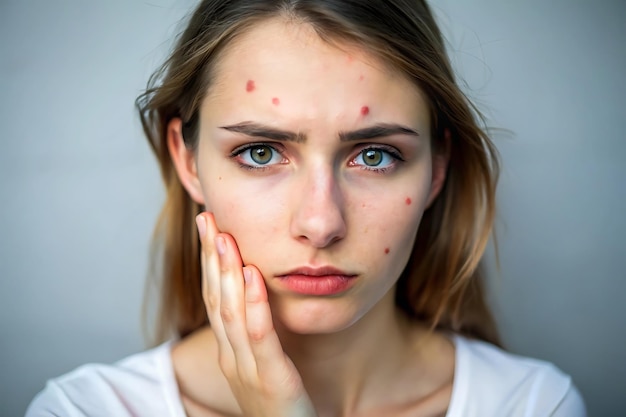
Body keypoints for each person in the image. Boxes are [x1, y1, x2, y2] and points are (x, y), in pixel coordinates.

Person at [26, 1, 587, 416]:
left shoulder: (531, 404)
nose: (320, 224)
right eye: (261, 152)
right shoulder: (85, 409)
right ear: (188, 159)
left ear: (438, 166)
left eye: (375, 155)